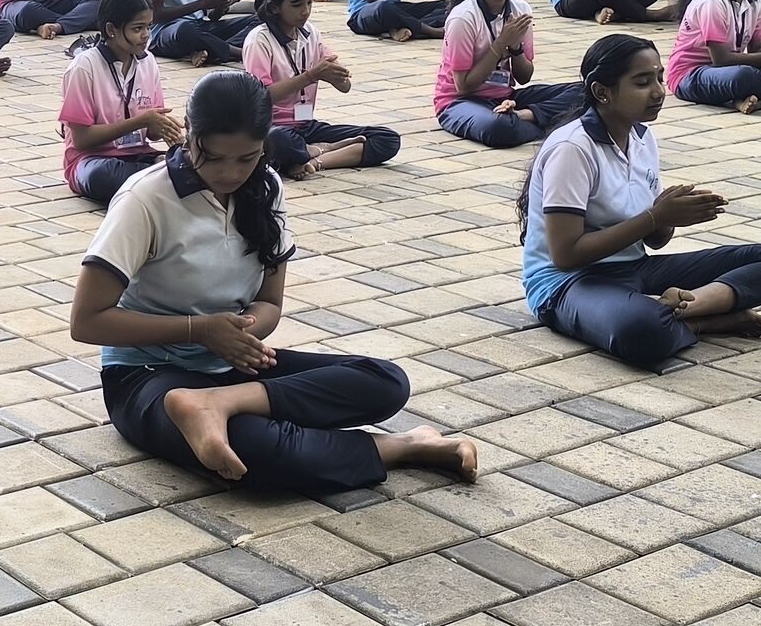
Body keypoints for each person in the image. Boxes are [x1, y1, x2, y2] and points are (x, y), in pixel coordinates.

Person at [68, 70, 476, 491]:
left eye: (246, 158)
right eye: (214, 157)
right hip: (148, 376)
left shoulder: (266, 188)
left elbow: (269, 303)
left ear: (265, 143)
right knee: (258, 452)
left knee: (385, 381)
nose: (230, 173)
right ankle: (404, 446)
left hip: (229, 368)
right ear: (189, 135)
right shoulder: (145, 198)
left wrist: (238, 336)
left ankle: (218, 403)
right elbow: (86, 321)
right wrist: (200, 331)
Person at [518, 34, 761, 370]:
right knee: (641, 330)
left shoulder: (641, 136)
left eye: (659, 78)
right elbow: (566, 255)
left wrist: (670, 217)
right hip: (568, 283)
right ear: (602, 92)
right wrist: (655, 216)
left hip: (633, 268)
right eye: (642, 82)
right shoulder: (572, 148)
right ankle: (703, 322)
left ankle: (688, 307)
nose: (658, 91)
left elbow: (654, 241)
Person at [245, 0, 398, 176]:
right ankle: (315, 150)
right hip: (272, 127)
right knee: (278, 141)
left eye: (309, 3)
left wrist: (338, 76)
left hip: (305, 125)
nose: (305, 11)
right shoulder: (260, 40)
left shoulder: (311, 33)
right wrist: (311, 76)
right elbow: (262, 97)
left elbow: (345, 86)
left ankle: (314, 160)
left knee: (387, 139)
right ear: (274, 7)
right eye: (296, 4)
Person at [435, 0, 585, 148]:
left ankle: (523, 116)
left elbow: (524, 77)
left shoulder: (520, 9)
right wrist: (501, 43)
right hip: (460, 102)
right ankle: (549, 123)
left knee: (586, 91)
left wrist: (515, 48)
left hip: (505, 97)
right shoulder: (463, 18)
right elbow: (464, 86)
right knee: (499, 127)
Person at [58, 0, 184, 205]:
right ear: (111, 29)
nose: (146, 35)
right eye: (137, 28)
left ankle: (158, 174)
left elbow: (151, 134)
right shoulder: (84, 67)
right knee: (102, 176)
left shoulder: (148, 61)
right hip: (92, 160)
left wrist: (164, 128)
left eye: (148, 27)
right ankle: (159, 175)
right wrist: (141, 121)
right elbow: (81, 140)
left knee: (189, 162)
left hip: (138, 155)